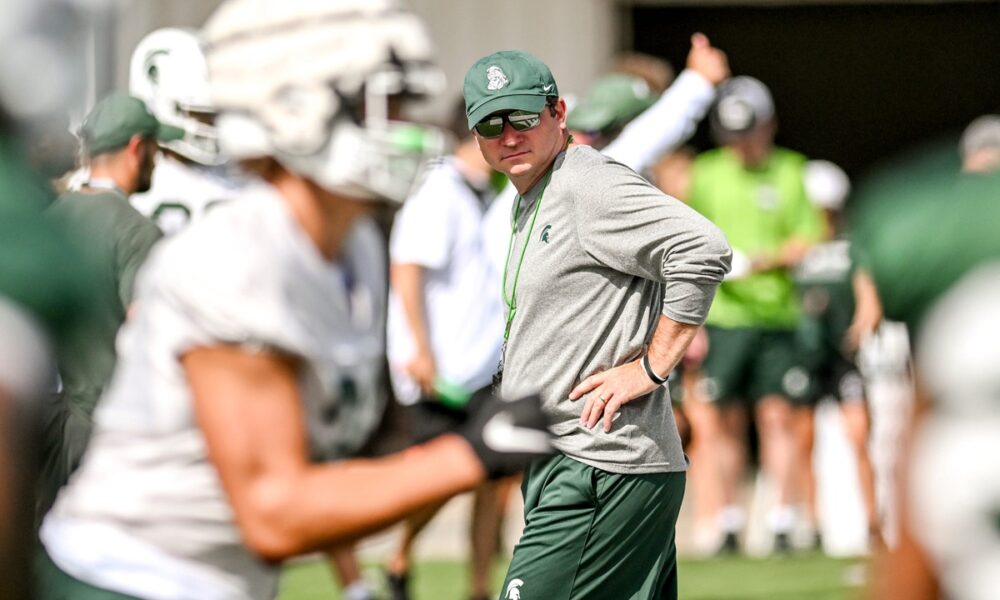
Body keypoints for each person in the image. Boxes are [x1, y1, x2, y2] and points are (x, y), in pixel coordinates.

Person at [36, 2, 553, 599]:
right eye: (379, 107)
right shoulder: (242, 258)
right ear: (296, 112)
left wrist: (354, 574)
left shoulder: (353, 246)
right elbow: (273, 510)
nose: (410, 128)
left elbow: (323, 459)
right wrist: (471, 452)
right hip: (126, 580)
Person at [463, 49, 730, 599]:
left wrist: (650, 369)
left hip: (599, 465)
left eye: (522, 117)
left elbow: (703, 249)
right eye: (491, 122)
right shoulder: (533, 192)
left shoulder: (586, 183)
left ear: (558, 113)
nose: (508, 134)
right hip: (575, 460)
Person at [685, 76, 825, 554]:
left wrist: (765, 260)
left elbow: (810, 237)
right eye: (734, 134)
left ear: (770, 125)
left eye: (751, 132)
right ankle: (728, 519)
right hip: (722, 317)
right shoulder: (705, 173)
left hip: (777, 315)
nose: (743, 144)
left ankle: (783, 519)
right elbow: (686, 240)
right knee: (722, 422)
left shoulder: (791, 170)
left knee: (778, 417)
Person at [384, 100, 509, 600]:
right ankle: (400, 554)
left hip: (484, 366)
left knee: (490, 482)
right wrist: (420, 350)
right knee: (443, 479)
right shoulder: (437, 190)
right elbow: (407, 269)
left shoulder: (489, 193)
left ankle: (479, 588)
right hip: (441, 369)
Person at [39, 91, 178, 515]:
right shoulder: (137, 232)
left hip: (46, 426)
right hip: (108, 431)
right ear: (138, 148)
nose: (158, 159)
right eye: (156, 148)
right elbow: (145, 333)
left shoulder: (49, 220)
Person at [790, 160, 880, 551]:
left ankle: (874, 521)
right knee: (802, 439)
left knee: (859, 435)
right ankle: (812, 523)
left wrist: (861, 326)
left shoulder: (852, 247)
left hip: (843, 354)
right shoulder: (794, 247)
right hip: (804, 353)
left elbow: (868, 295)